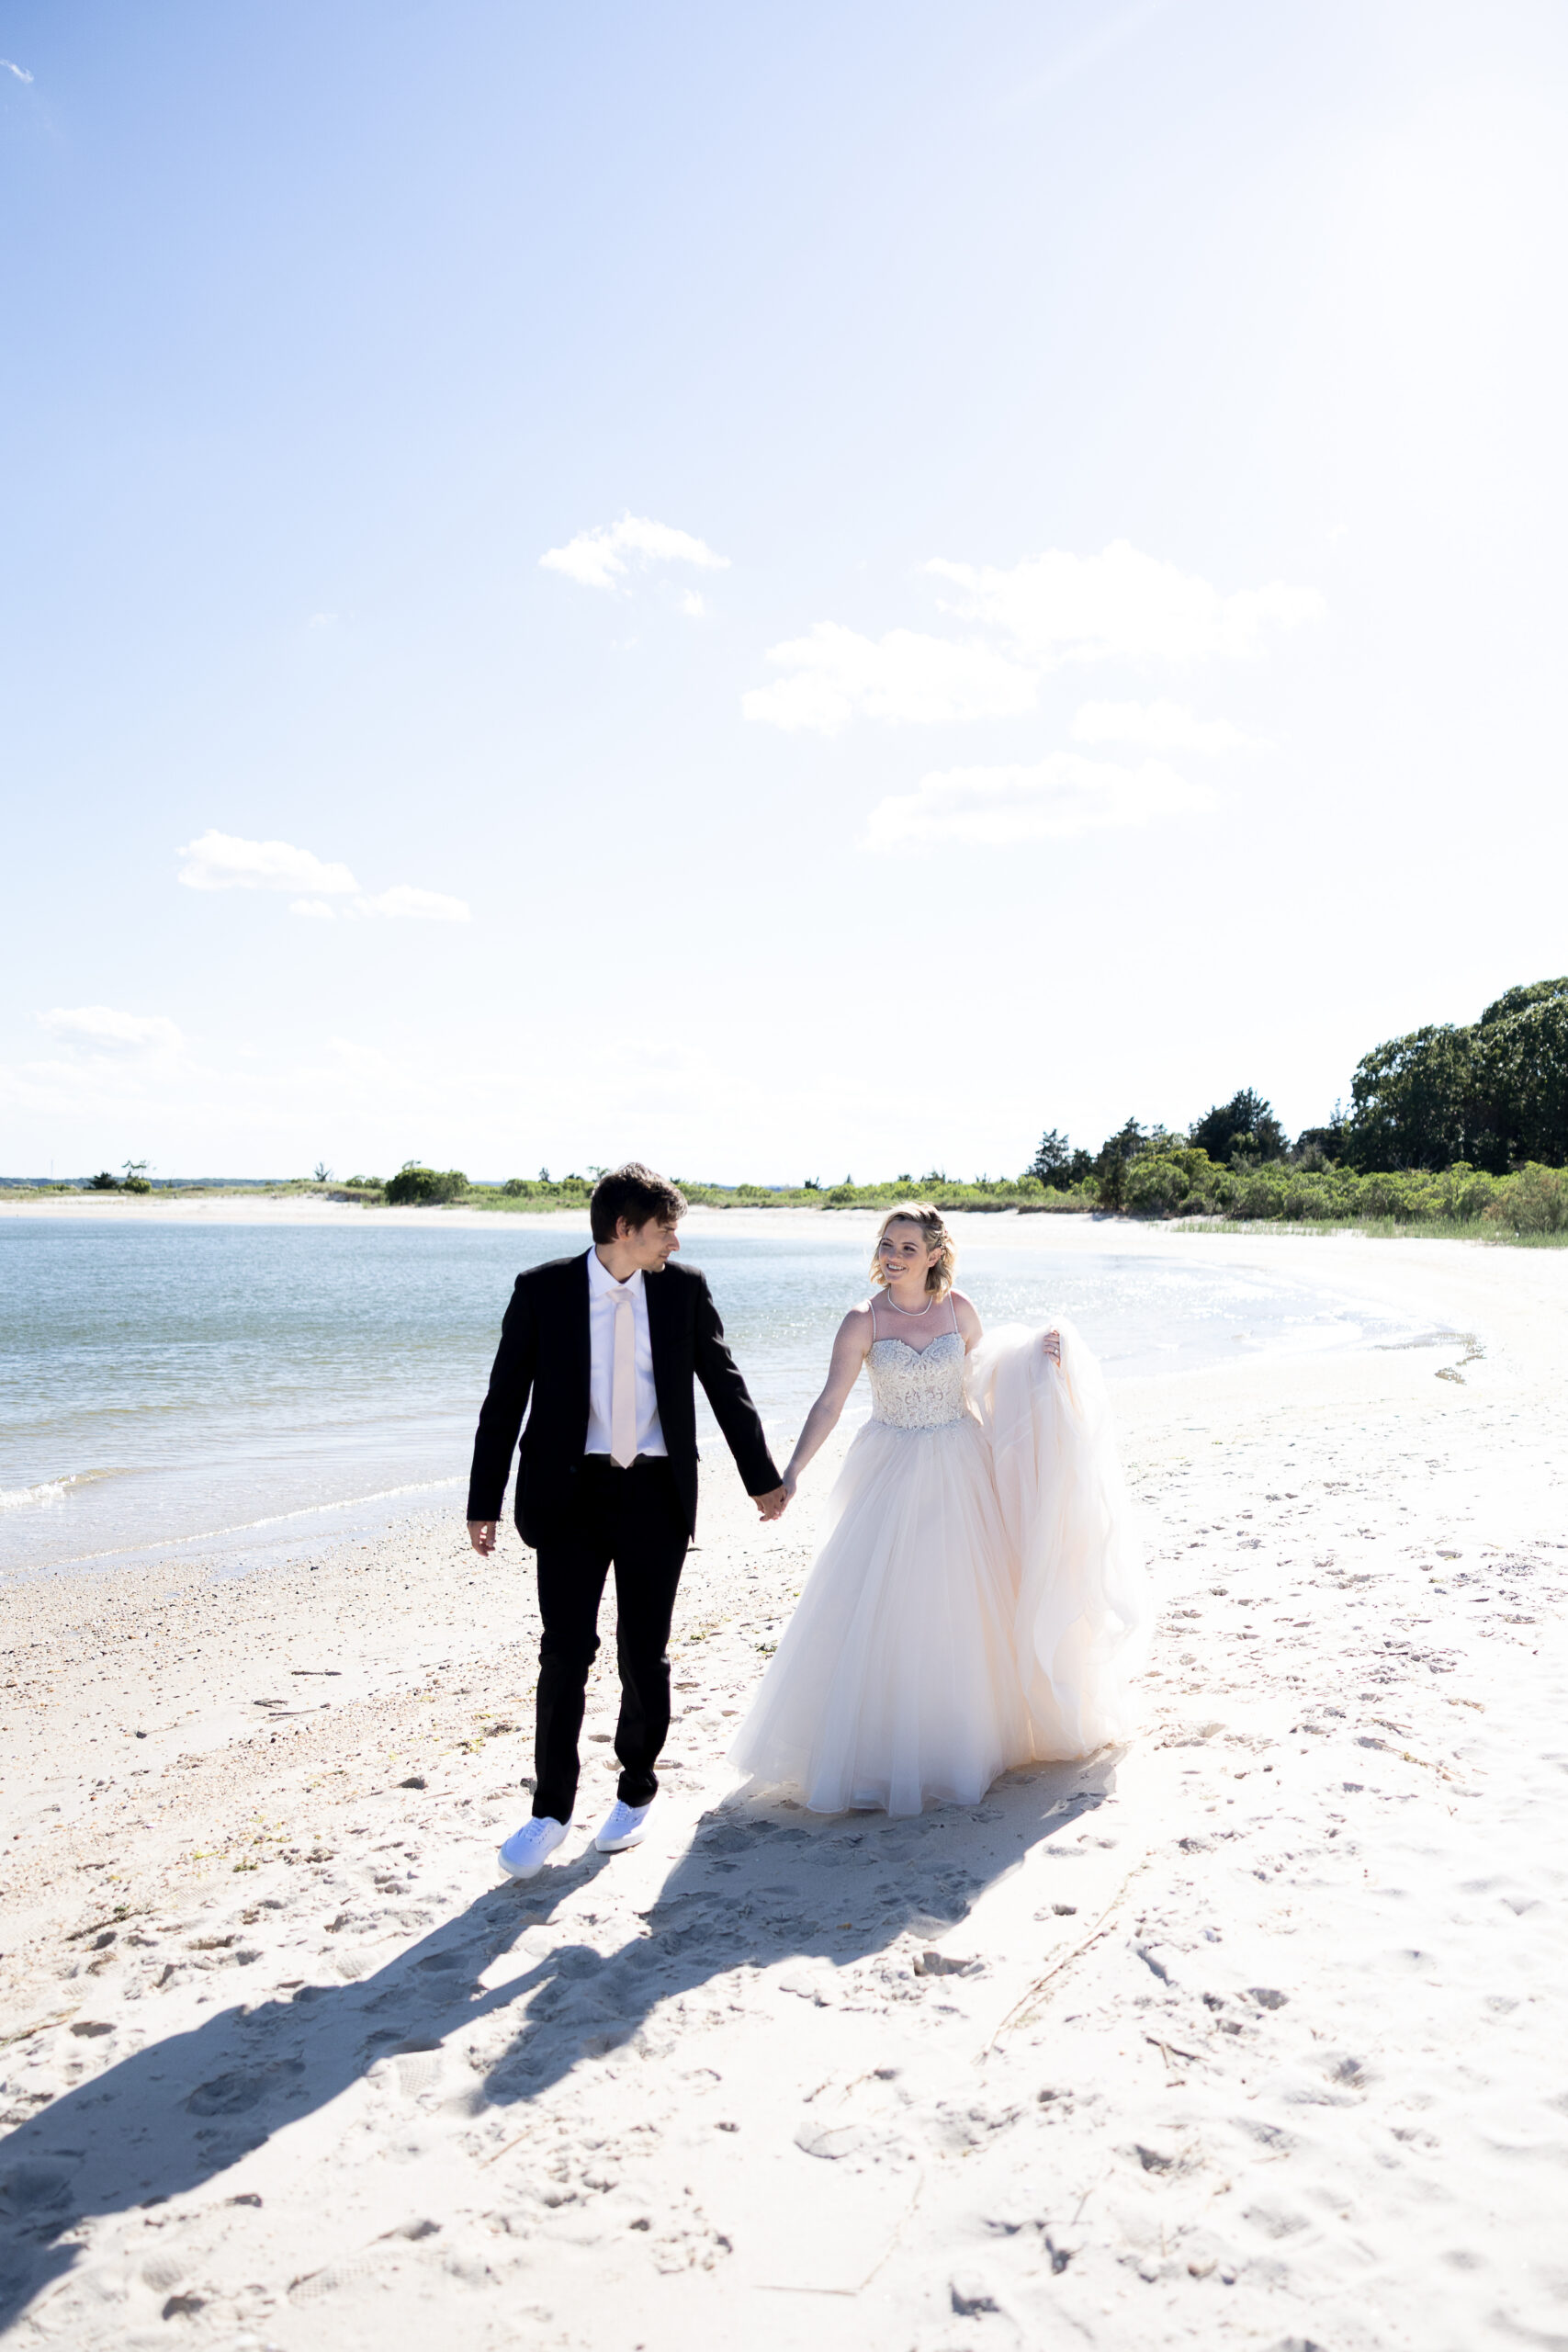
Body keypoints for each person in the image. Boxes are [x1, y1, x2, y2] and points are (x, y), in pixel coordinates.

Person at [728, 1204, 1151, 1815]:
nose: (892, 1255)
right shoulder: (861, 1321)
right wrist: (790, 1472)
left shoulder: (957, 1309)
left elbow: (989, 1379)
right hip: (890, 1468)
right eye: (886, 1244)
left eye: (905, 1246)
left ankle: (972, 1739)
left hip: (960, 1461)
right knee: (888, 1602)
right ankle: (883, 1748)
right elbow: (829, 1403)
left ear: (933, 1254)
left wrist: (1042, 1357)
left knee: (965, 1601)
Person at [468, 1162, 786, 1879]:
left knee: (643, 1652)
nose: (673, 1242)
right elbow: (502, 1401)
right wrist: (482, 1502)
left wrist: (760, 1479)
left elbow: (723, 1385)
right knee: (564, 1653)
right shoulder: (542, 1290)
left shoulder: (682, 1291)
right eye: (664, 1229)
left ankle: (635, 1791)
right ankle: (550, 1809)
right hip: (568, 1496)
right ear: (623, 1230)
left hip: (654, 1496)